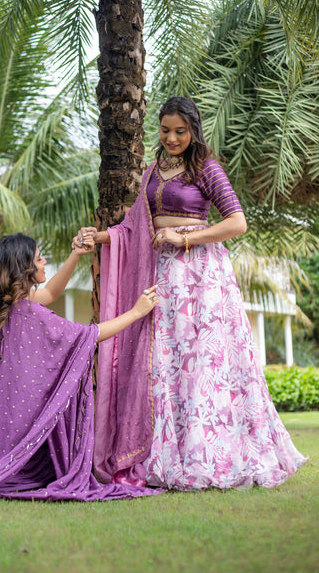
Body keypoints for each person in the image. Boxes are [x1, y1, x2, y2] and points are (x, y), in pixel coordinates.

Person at [74, 96, 307, 490]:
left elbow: (237, 223)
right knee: (163, 361)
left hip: (200, 278)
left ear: (193, 130)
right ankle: (165, 455)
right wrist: (98, 237)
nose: (171, 138)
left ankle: (207, 453)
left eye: (180, 131)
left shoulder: (207, 168)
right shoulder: (151, 172)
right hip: (161, 276)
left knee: (201, 362)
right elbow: (134, 228)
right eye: (165, 130)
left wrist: (187, 239)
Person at [0, 233, 160, 508]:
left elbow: (49, 294)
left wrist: (75, 255)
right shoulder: (27, 312)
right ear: (24, 268)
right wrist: (136, 312)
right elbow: (89, 335)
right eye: (39, 259)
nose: (44, 261)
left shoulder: (1, 302)